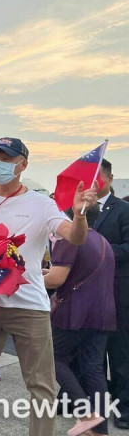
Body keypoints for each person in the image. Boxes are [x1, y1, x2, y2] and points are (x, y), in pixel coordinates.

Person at [0, 137, 96, 436]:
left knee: (41, 385)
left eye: (7, 159)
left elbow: (74, 237)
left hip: (28, 306)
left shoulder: (41, 204)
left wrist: (79, 214)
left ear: (23, 164)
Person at [45, 205, 115, 436]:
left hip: (75, 312)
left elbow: (56, 279)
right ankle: (100, 430)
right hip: (102, 312)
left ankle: (87, 415)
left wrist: (27, 276)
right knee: (93, 368)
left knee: (52, 358)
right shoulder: (102, 241)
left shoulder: (70, 239)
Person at [90, 159, 129, 429]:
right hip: (87, 294)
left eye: (97, 178)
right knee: (92, 352)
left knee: (120, 351)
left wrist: (99, 253)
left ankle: (124, 406)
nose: (92, 183)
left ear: (110, 179)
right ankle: (97, 404)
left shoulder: (124, 210)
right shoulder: (77, 211)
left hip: (118, 291)